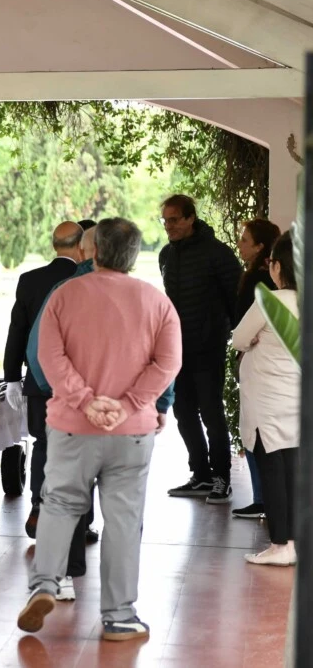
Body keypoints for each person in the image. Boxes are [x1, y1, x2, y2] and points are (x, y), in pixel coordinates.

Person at [18, 218, 181, 642]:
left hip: (73, 426)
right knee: (124, 517)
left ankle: (45, 585)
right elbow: (168, 363)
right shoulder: (157, 302)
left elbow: (47, 357)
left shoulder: (64, 294)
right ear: (134, 255)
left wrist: (85, 401)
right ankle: (120, 616)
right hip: (132, 431)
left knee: (59, 504)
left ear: (94, 251)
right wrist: (130, 404)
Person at [2, 221, 83, 537]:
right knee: (79, 447)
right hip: (78, 379)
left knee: (44, 443)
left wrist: (12, 377)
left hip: (38, 377)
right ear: (81, 247)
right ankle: (78, 519)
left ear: (54, 245)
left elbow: (17, 330)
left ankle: (39, 506)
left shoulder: (30, 280)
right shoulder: (87, 279)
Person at [159, 194, 241, 504]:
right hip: (177, 350)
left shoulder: (218, 253)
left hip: (208, 349)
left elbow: (236, 301)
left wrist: (232, 339)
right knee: (182, 412)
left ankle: (221, 478)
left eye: (174, 220)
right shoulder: (166, 254)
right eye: (165, 220)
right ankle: (202, 475)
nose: (169, 226)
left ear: (191, 218)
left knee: (211, 413)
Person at [232, 232, 299, 565]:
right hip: (297, 400)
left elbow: (239, 339)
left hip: (268, 402)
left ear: (278, 267)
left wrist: (256, 340)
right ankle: (294, 542)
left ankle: (279, 545)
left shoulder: (270, 302)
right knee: (294, 472)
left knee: (272, 472)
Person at [231, 218, 281, 519]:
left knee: (252, 429)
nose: (239, 244)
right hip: (278, 366)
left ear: (261, 247)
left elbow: (241, 333)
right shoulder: (282, 286)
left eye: (245, 240)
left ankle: (262, 498)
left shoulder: (256, 281)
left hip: (256, 361)